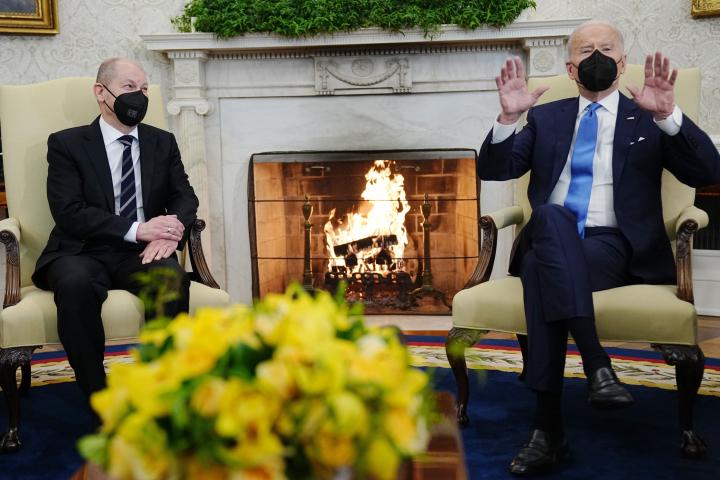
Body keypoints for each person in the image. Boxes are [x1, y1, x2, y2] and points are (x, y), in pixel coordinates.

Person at [477, 20, 720, 475]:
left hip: (612, 247)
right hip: (550, 234)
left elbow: (709, 171)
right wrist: (508, 119)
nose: (596, 57)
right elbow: (495, 169)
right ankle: (597, 364)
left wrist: (669, 116)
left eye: (606, 49)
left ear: (622, 63)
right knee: (551, 217)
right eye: (585, 50)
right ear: (571, 68)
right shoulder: (546, 117)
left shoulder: (647, 114)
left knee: (541, 270)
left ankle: (547, 431)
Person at [32, 58, 199, 411]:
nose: (139, 96)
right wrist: (139, 229)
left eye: (144, 89)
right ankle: (99, 398)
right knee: (75, 284)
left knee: (171, 280)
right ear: (101, 92)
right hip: (81, 249)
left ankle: (161, 394)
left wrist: (171, 232)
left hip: (143, 253)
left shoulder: (162, 142)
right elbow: (69, 211)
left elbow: (184, 196)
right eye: (129, 87)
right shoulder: (67, 144)